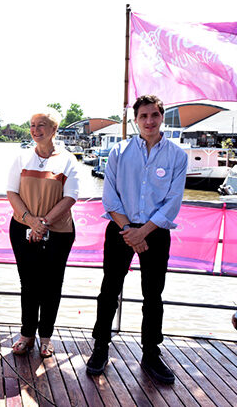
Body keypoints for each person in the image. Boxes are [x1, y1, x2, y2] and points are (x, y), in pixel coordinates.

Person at [85, 95, 187, 385]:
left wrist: (143, 232)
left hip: (155, 232)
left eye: (154, 115)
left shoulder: (177, 156)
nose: (149, 121)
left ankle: (151, 353)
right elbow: (110, 196)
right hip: (120, 229)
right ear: (135, 120)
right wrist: (130, 229)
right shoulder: (118, 151)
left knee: (153, 296)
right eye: (143, 116)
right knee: (109, 291)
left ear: (161, 116)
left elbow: (173, 202)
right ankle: (100, 347)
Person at [6, 108, 79, 358]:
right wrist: (30, 221)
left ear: (54, 129)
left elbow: (71, 196)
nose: (36, 130)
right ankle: (26, 334)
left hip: (58, 232)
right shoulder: (21, 158)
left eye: (42, 125)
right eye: (33, 125)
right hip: (22, 229)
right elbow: (11, 192)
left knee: (51, 284)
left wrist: (44, 222)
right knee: (28, 283)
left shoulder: (68, 159)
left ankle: (46, 336)